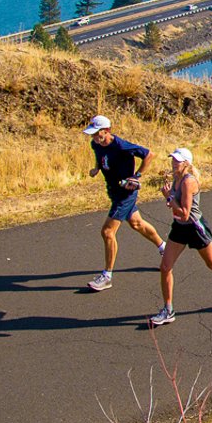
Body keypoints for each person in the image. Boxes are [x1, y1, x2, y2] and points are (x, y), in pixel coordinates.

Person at [148, 146, 212, 326]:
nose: (173, 163)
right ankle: (168, 310)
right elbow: (178, 213)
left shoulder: (188, 182)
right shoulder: (176, 178)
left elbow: (184, 213)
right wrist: (171, 199)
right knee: (165, 266)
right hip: (179, 228)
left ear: (186, 163)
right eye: (172, 159)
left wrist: (169, 198)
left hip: (195, 227)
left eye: (177, 160)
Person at [82, 115, 164, 291]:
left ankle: (107, 276)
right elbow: (100, 156)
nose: (94, 137)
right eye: (93, 134)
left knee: (107, 232)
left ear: (106, 131)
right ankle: (164, 247)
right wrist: (97, 168)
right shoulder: (95, 145)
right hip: (113, 191)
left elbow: (149, 154)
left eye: (97, 134)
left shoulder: (121, 146)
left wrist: (136, 176)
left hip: (126, 194)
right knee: (137, 223)